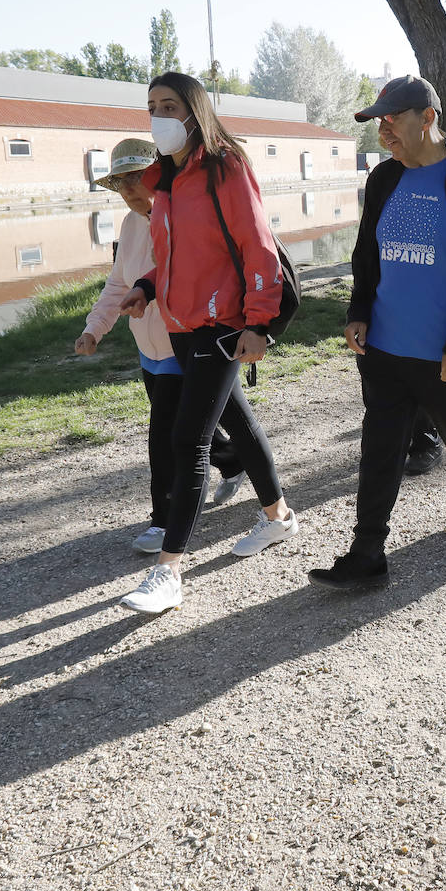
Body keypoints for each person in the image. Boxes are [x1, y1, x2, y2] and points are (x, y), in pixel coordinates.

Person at [308, 74, 446, 587]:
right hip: (385, 347)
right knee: (379, 450)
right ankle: (367, 551)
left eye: (392, 120)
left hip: (442, 351)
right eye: (378, 123)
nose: (383, 131)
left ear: (429, 117)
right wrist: (357, 311)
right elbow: (366, 254)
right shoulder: (384, 179)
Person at [116, 72, 298, 614]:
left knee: (189, 438)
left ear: (195, 111)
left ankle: (168, 571)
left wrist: (259, 322)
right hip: (181, 321)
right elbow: (177, 253)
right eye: (151, 107)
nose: (159, 116)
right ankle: (279, 517)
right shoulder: (164, 179)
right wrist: (148, 287)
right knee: (237, 422)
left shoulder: (226, 165)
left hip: (224, 321)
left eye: (169, 105)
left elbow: (257, 246)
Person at [74, 139, 245, 554]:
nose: (131, 191)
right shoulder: (131, 225)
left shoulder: (182, 218)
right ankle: (233, 460)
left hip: (183, 343)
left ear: (158, 176)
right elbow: (119, 283)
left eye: (138, 179)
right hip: (148, 351)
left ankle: (164, 521)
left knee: (165, 435)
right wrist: (95, 328)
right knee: (201, 423)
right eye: (122, 184)